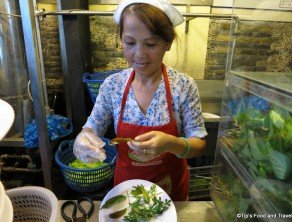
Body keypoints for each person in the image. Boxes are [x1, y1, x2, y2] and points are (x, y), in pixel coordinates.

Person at [73, 0, 207, 201]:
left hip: (171, 192)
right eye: (130, 42)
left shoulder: (183, 85)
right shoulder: (113, 85)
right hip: (127, 191)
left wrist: (171, 143)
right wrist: (84, 139)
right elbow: (92, 128)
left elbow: (199, 144)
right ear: (121, 40)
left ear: (168, 43)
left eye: (151, 44)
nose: (139, 54)